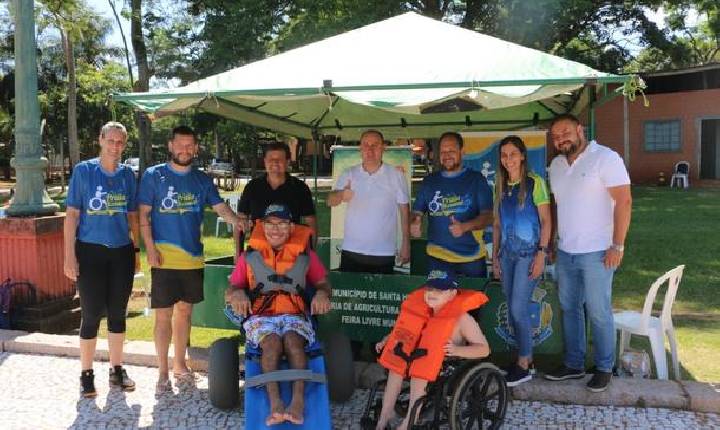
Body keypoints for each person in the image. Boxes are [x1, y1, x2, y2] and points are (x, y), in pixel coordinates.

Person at [138, 125, 242, 390]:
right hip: (163, 258)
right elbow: (143, 216)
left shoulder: (202, 180)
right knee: (163, 317)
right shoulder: (154, 175)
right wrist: (149, 248)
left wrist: (240, 222)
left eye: (190, 145)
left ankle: (179, 364)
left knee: (184, 313)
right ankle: (162, 371)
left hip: (193, 259)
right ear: (170, 146)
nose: (185, 150)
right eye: (180, 145)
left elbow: (221, 209)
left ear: (195, 148)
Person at [544, 113, 632, 393]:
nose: (561, 139)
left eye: (566, 132)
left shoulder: (605, 157)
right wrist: (554, 242)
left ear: (580, 130)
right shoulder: (555, 165)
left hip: (598, 252)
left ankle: (605, 367)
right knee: (570, 309)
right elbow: (560, 207)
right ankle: (574, 364)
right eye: (556, 136)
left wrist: (617, 245)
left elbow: (624, 201)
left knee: (598, 311)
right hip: (566, 251)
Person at [225, 203, 331, 426]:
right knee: (272, 343)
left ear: (291, 227)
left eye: (282, 223)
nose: (276, 229)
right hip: (261, 317)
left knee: (293, 341)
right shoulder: (249, 257)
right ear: (262, 226)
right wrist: (236, 295)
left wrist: (322, 294)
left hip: (296, 315)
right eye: (270, 223)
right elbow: (231, 288)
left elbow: (323, 284)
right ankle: (275, 403)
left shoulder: (306, 256)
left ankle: (298, 401)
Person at [63, 121, 139, 398]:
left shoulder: (128, 175)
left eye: (120, 142)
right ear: (101, 139)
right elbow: (71, 216)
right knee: (92, 314)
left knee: (118, 313)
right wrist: (69, 256)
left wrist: (137, 251)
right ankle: (86, 373)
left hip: (121, 252)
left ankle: (117, 369)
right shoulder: (84, 171)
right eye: (111, 141)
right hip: (90, 251)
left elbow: (132, 216)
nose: (115, 146)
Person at [374, 269, 490, 430]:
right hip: (417, 354)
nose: (431, 293)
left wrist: (457, 350)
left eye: (439, 290)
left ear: (452, 294)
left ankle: (408, 422)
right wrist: (386, 341)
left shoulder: (463, 319)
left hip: (444, 362)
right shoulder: (422, 311)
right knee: (396, 368)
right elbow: (403, 332)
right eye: (429, 289)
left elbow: (484, 349)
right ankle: (385, 415)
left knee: (419, 374)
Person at [491, 136, 551, 387]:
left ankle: (523, 364)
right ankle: (525, 359)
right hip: (507, 256)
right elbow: (496, 223)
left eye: (513, 154)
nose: (508, 159)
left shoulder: (534, 182)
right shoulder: (501, 184)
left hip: (529, 256)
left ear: (523, 155)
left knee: (518, 308)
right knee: (514, 309)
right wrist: (494, 257)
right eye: (504, 155)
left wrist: (541, 253)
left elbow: (547, 221)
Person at [411, 132, 493, 277]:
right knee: (438, 299)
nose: (447, 155)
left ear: (462, 152)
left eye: (451, 151)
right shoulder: (429, 182)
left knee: (472, 300)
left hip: (471, 258)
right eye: (443, 151)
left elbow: (488, 216)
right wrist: (415, 221)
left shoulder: (476, 179)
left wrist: (464, 227)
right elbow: (417, 211)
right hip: (437, 258)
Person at [328, 129, 410, 274]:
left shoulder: (396, 174)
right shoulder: (349, 173)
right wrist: (341, 194)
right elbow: (330, 201)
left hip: (384, 252)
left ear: (383, 148)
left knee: (380, 294)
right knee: (350, 295)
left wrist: (406, 243)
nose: (370, 150)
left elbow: (404, 210)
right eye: (366, 145)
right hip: (351, 250)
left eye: (375, 145)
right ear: (360, 148)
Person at [238, 142, 317, 239]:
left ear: (287, 162)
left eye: (279, 159)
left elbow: (311, 221)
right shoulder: (252, 187)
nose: (275, 163)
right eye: (271, 159)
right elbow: (240, 220)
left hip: (291, 248)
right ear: (265, 161)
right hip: (259, 248)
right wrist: (238, 252)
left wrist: (311, 252)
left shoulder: (300, 188)